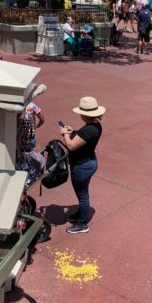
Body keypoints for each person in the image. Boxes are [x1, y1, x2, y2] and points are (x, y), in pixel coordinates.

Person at [59, 96, 105, 234]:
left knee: (82, 194)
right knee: (82, 192)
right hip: (88, 162)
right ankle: (80, 214)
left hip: (83, 166)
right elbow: (83, 137)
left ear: (85, 114)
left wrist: (64, 134)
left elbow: (71, 146)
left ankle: (83, 223)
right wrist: (73, 132)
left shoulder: (89, 129)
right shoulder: (95, 125)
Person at [16, 84, 46, 170]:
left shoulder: (18, 106)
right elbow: (42, 119)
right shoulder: (32, 106)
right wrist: (36, 126)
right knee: (29, 152)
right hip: (30, 134)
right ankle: (28, 169)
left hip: (18, 135)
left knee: (18, 152)